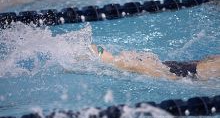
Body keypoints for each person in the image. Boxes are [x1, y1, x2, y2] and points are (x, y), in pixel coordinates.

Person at [89, 44, 220, 80]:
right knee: (118, 62)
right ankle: (98, 54)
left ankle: (98, 53)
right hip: (193, 71)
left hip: (193, 68)